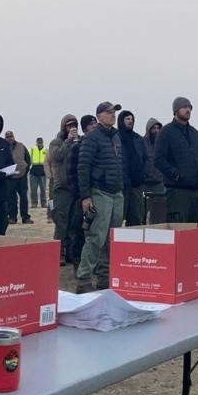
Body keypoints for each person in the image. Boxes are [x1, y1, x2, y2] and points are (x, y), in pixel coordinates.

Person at [72, 103, 128, 291]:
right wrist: (85, 197)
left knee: (111, 238)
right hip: (99, 192)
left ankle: (105, 276)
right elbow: (83, 168)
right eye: (109, 112)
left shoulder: (116, 137)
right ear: (99, 116)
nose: (113, 116)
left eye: (114, 113)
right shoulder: (91, 138)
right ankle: (85, 278)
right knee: (96, 237)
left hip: (116, 192)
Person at [155, 98, 198, 223]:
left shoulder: (194, 133)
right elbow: (158, 159)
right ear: (176, 110)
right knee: (178, 230)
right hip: (177, 192)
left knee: (194, 232)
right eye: (184, 107)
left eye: (190, 107)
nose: (188, 110)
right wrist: (176, 175)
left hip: (196, 192)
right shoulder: (166, 132)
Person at [47, 116, 79, 263]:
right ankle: (57, 254)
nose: (72, 128)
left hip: (75, 188)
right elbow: (56, 156)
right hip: (61, 188)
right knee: (61, 223)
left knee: (73, 223)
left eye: (74, 125)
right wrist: (68, 141)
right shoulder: (56, 142)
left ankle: (70, 253)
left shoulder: (79, 141)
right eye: (69, 126)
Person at [27, 136, 48, 221]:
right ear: (36, 142)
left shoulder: (46, 150)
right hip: (34, 171)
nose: (40, 143)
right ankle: (34, 203)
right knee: (33, 189)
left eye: (41, 142)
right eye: (38, 142)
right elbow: (27, 159)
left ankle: (43, 203)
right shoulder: (31, 150)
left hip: (43, 171)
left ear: (43, 142)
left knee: (43, 189)